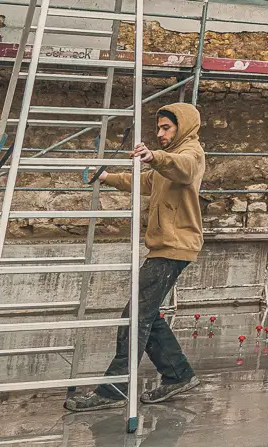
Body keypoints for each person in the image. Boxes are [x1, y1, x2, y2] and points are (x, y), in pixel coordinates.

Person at [63, 101, 206, 411]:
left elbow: (185, 168)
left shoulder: (190, 153)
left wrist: (154, 155)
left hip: (174, 245)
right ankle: (178, 374)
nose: (161, 133)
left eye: (167, 128)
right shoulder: (165, 165)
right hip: (165, 245)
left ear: (183, 127)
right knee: (146, 313)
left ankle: (113, 391)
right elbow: (142, 182)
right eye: (159, 129)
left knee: (135, 316)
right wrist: (107, 177)